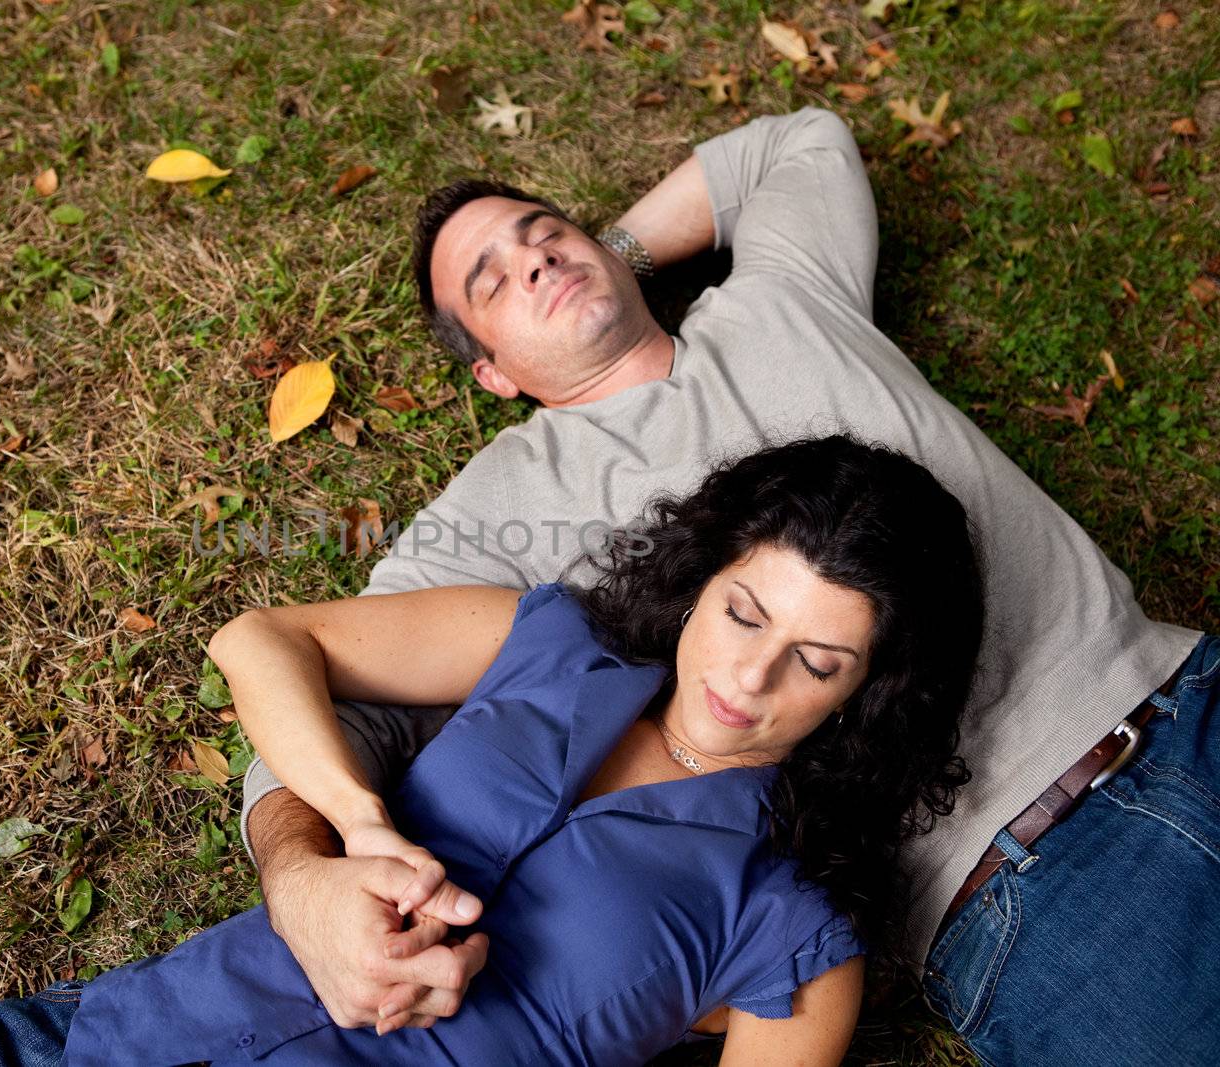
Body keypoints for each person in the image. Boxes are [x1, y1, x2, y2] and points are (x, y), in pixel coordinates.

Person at [237, 106, 1212, 1065]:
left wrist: (612, 249)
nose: (533, 259)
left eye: (546, 234)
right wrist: (301, 877)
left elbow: (798, 144)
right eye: (492, 280)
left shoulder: (780, 297)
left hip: (1184, 682)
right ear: (491, 372)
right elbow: (320, 685)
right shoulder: (498, 508)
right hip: (1028, 880)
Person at [0, 435, 986, 1066]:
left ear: (871, 696)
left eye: (817, 664)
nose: (745, 679)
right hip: (95, 1035)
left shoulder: (797, 923)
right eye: (742, 613)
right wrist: (349, 827)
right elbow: (261, 639)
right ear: (708, 572)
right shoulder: (548, 640)